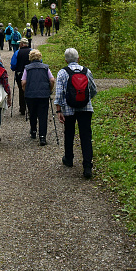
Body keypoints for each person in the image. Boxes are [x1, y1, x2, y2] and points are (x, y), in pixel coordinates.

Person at [54, 48, 97, 179]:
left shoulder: (62, 72)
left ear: (65, 60)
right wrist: (85, 100)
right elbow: (93, 89)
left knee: (69, 133)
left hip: (68, 109)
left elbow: (59, 93)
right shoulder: (86, 71)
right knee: (86, 135)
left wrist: (59, 110)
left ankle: (69, 158)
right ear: (78, 59)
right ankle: (87, 166)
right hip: (86, 108)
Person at [22, 49, 55, 146]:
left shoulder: (27, 68)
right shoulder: (45, 68)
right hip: (43, 94)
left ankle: (33, 131)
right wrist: (49, 89)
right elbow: (52, 80)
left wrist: (25, 90)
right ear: (40, 57)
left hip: (30, 95)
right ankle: (42, 137)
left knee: (32, 113)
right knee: (43, 115)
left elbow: (23, 82)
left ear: (30, 58)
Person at [10, 37, 31, 115]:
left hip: (20, 74)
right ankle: (30, 108)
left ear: (22, 44)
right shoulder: (32, 52)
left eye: (19, 43)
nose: (19, 44)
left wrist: (15, 69)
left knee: (21, 90)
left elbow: (13, 65)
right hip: (31, 74)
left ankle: (22, 108)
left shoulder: (17, 52)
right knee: (30, 90)